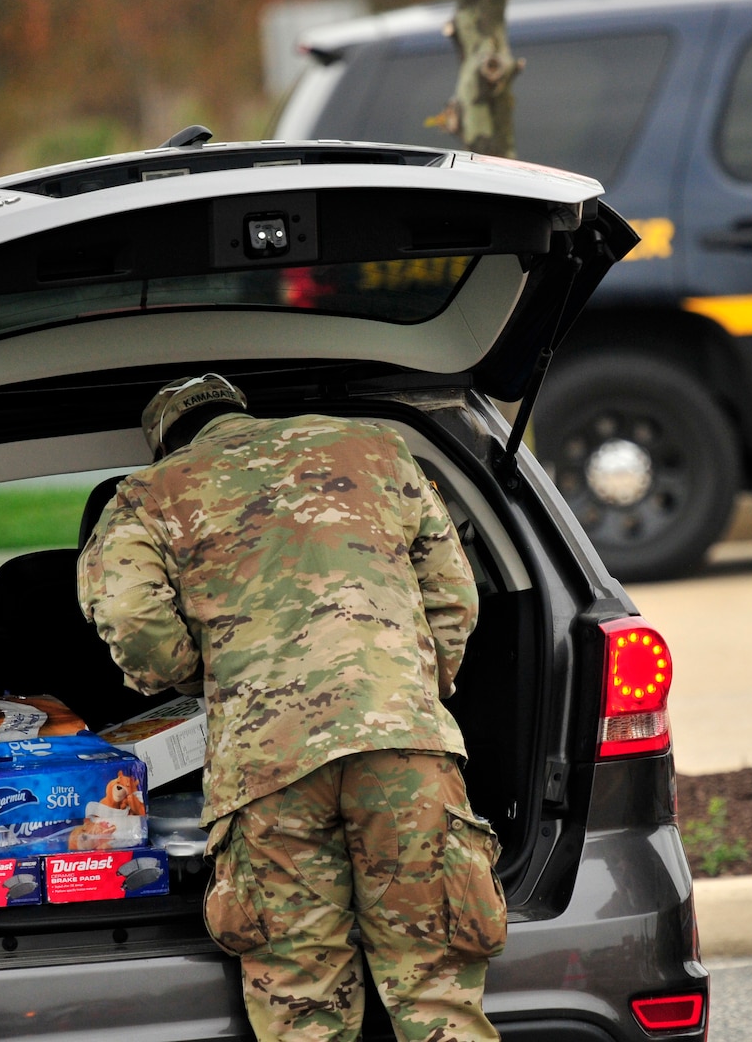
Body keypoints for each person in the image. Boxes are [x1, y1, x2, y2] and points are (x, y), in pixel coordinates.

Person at [78, 374, 505, 1042]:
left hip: (267, 769)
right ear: (241, 411)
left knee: (305, 1008)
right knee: (438, 997)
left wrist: (209, 678)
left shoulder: (148, 494)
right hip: (405, 747)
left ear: (164, 442)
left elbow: (133, 621)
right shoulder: (376, 448)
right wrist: (411, 692)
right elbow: (454, 595)